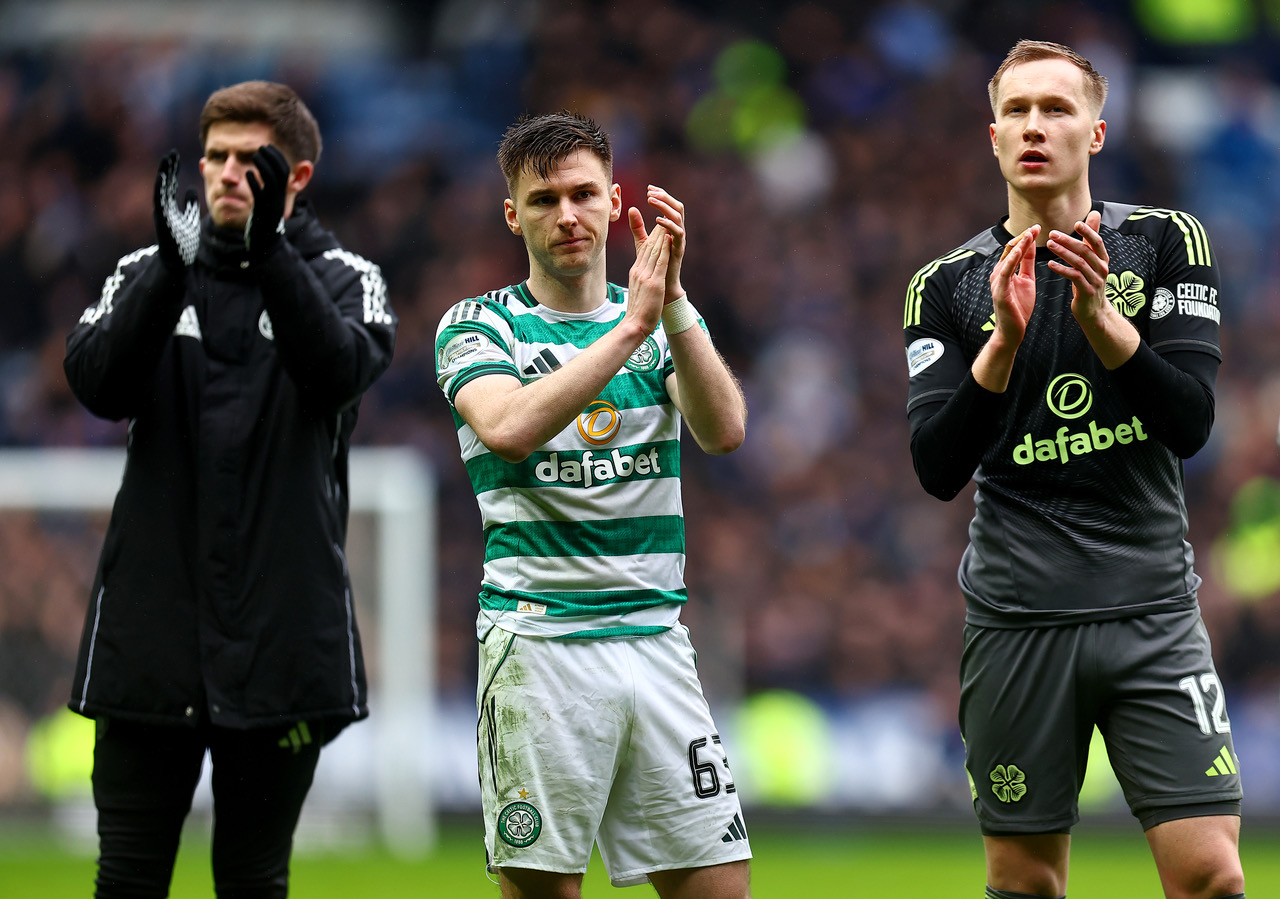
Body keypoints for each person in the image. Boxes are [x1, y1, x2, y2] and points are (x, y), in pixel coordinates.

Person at [904, 40, 1245, 899]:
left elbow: (1191, 423)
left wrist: (1104, 324)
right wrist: (1002, 345)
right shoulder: (945, 285)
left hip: (1151, 611)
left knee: (1210, 875)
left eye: (1056, 108)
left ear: (1095, 132)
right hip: (1019, 622)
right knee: (1026, 883)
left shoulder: (1163, 242)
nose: (1034, 126)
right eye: (1016, 110)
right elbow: (938, 467)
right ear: (992, 137)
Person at [64, 81, 396, 898]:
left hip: (282, 637)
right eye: (215, 156)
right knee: (127, 878)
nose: (228, 173)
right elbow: (99, 385)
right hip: (151, 632)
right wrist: (170, 271)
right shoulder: (145, 270)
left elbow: (338, 373)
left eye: (254, 159)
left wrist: (270, 250)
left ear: (299, 176)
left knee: (252, 880)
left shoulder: (347, 278)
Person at [434, 111, 751, 899]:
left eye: (583, 194)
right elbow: (507, 428)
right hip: (541, 646)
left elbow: (724, 431)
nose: (567, 215)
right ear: (514, 216)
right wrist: (633, 326)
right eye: (543, 200)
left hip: (656, 638)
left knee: (721, 889)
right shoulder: (480, 324)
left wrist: (672, 305)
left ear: (614, 201)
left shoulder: (659, 321)